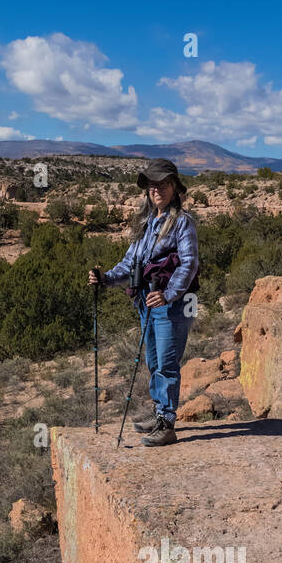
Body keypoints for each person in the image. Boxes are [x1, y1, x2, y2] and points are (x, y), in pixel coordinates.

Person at [89, 158, 199, 448]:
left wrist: (168, 293)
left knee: (166, 363)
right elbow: (129, 264)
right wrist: (106, 279)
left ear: (175, 188)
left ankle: (167, 423)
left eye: (163, 184)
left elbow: (188, 265)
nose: (156, 190)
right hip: (147, 302)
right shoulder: (146, 224)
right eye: (152, 185)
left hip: (171, 305)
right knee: (154, 361)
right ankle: (159, 412)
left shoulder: (182, 223)